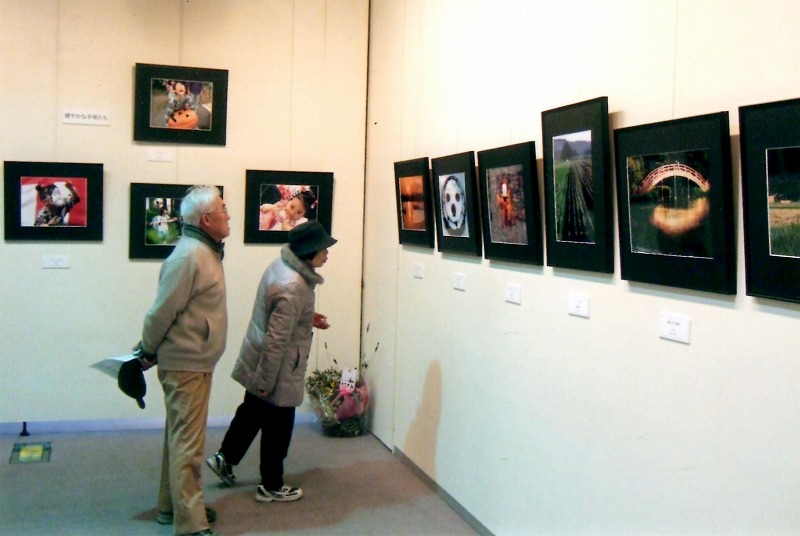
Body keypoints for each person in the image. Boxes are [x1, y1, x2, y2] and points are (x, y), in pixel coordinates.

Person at [206, 220, 336, 503]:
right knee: (279, 427)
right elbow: (277, 339)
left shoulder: (283, 267)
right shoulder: (293, 286)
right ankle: (271, 485)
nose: (327, 253)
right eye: (324, 248)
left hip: (262, 358)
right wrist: (266, 382)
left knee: (252, 411)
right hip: (277, 367)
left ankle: (224, 458)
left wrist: (307, 317)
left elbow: (280, 315)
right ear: (309, 251)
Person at [135, 185, 230, 536]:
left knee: (179, 438)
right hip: (185, 362)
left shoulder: (204, 253)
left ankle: (172, 507)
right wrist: (146, 351)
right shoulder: (189, 257)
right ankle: (190, 524)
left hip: (195, 360)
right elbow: (161, 312)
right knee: (188, 445)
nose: (229, 215)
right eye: (223, 209)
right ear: (206, 220)